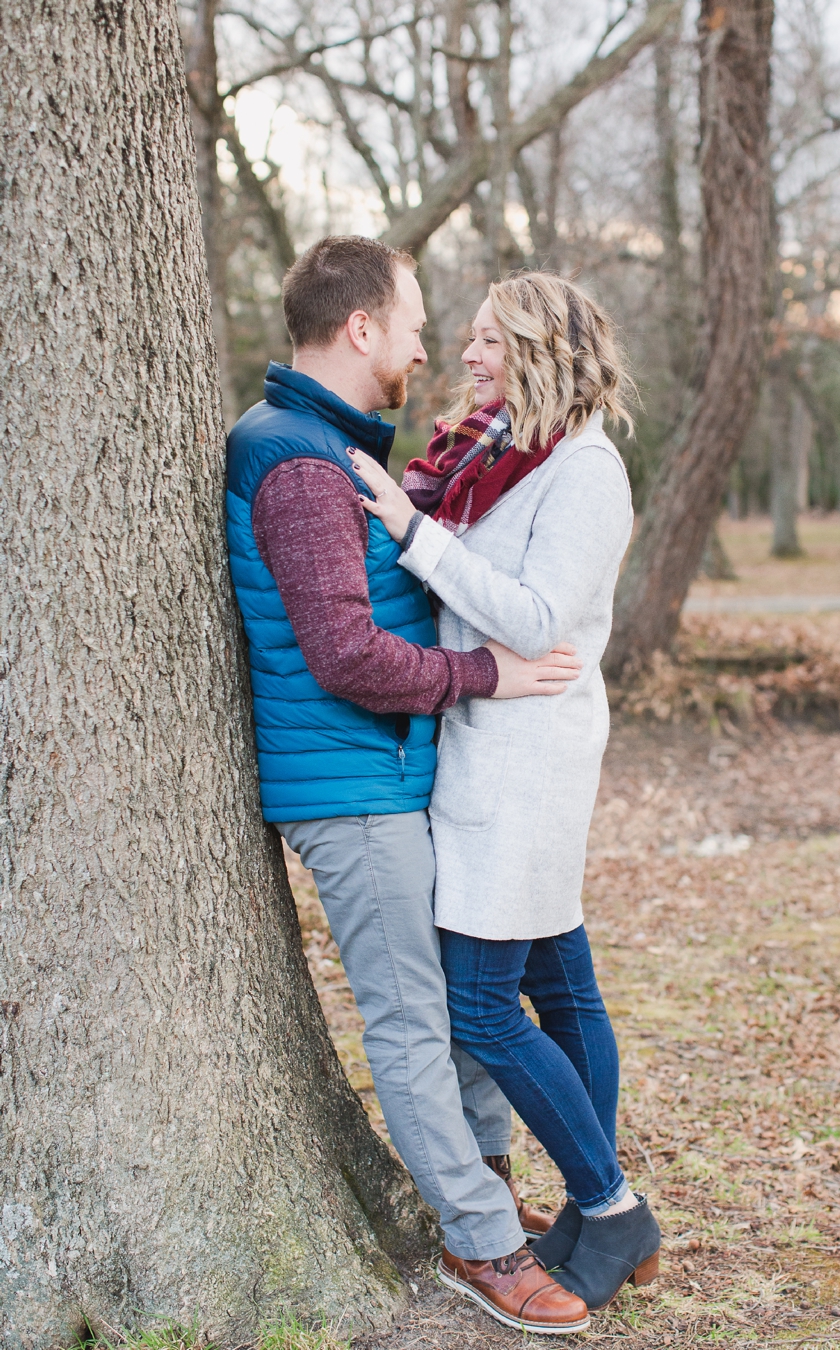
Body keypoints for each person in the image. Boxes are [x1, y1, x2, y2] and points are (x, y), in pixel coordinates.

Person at [224, 237, 592, 1335]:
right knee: (411, 1020)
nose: (430, 345)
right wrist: (494, 675)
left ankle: (484, 1189)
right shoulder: (295, 463)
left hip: (393, 773)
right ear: (360, 330)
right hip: (350, 789)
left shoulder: (333, 449)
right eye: (418, 322)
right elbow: (343, 656)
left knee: (466, 1002)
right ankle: (481, 1241)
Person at [349, 272, 655, 1314]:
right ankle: (593, 1213)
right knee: (563, 985)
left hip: (525, 759)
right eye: (471, 337)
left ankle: (609, 1207)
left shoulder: (586, 471)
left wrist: (409, 529)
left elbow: (532, 618)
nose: (469, 355)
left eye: (489, 339)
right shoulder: (501, 457)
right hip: (485, 747)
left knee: (481, 1007)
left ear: (538, 350)